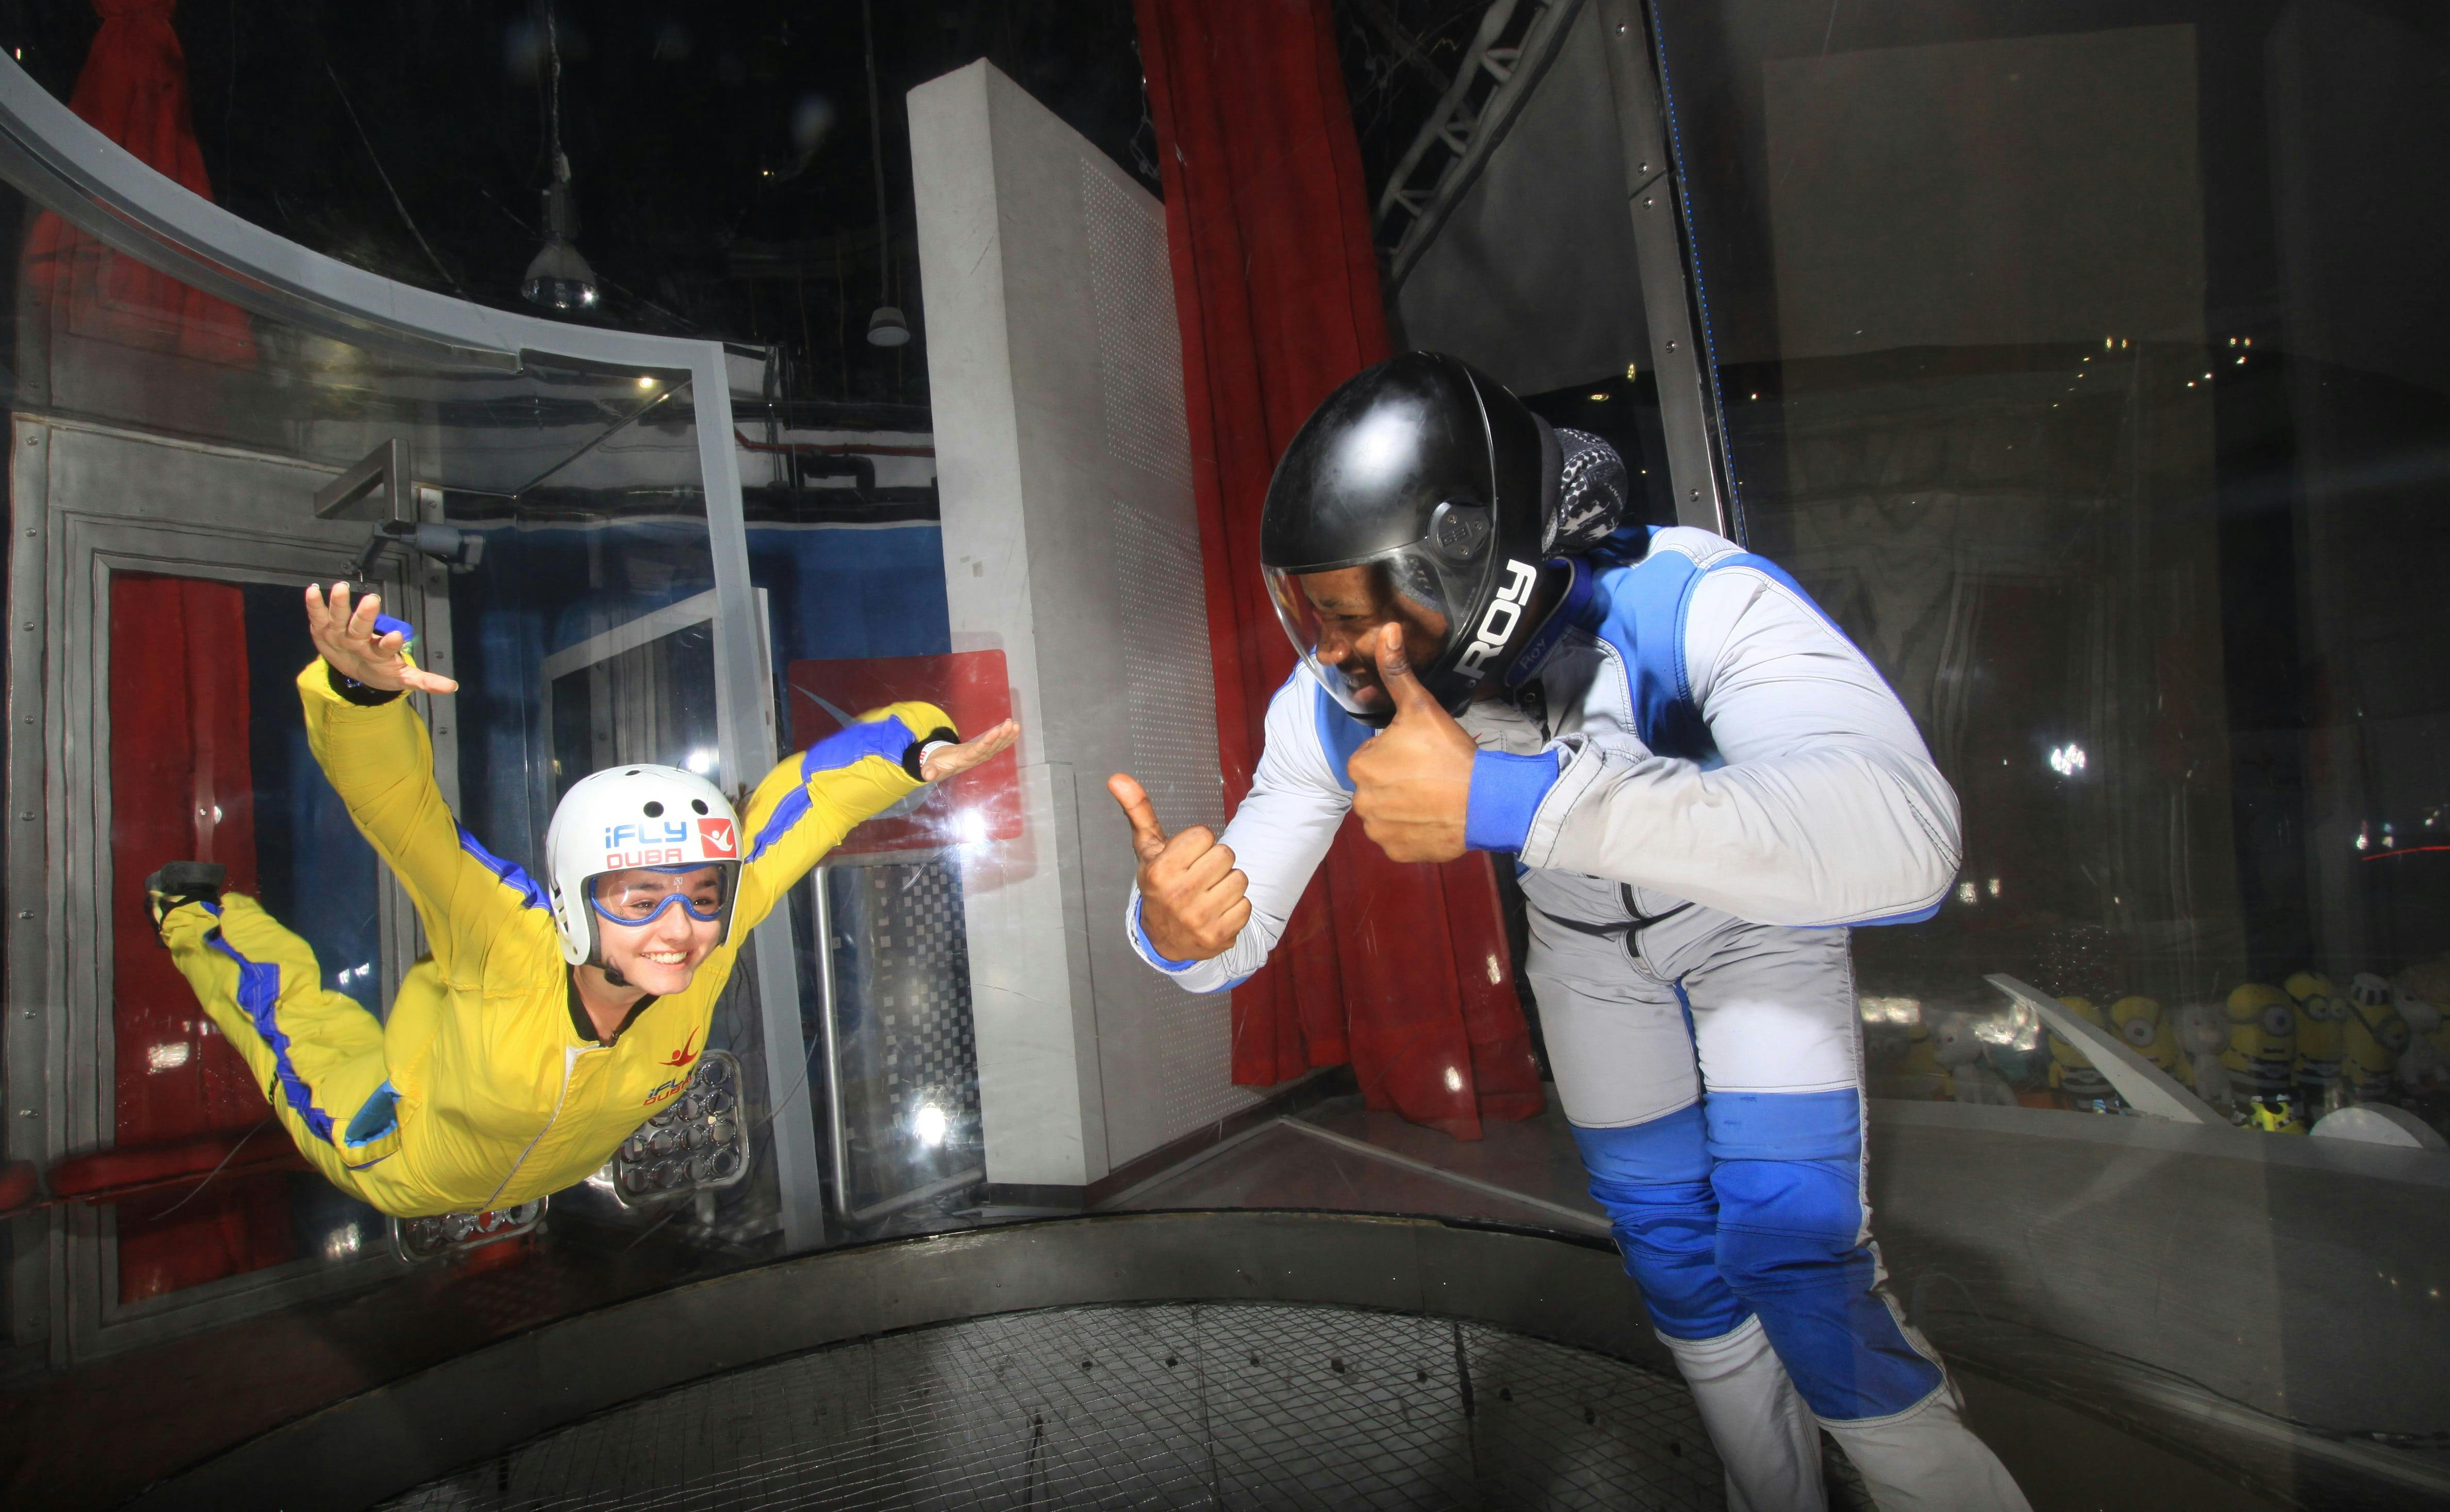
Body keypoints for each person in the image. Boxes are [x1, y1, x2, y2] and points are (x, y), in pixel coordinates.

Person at [1107, 353, 2027, 1511]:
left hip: (1756, 932)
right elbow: (1235, 927)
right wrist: (1177, 927)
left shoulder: (1692, 596)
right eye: (1307, 614)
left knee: (1796, 1268)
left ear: (1472, 561)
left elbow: (1909, 841)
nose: (1332, 655)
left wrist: (1516, 800)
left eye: (1354, 613)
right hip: (1589, 955)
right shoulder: (1332, 709)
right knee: (1675, 1265)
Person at [143, 582, 1017, 1220]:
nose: (680, 929)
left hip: (534, 1140)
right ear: (572, 903)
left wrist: (915, 745)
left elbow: (807, 802)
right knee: (283, 1020)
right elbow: (401, 814)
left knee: (450, 995)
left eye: (702, 894)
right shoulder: (506, 936)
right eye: (639, 900)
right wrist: (361, 695)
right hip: (405, 1158)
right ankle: (193, 914)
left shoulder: (708, 939)